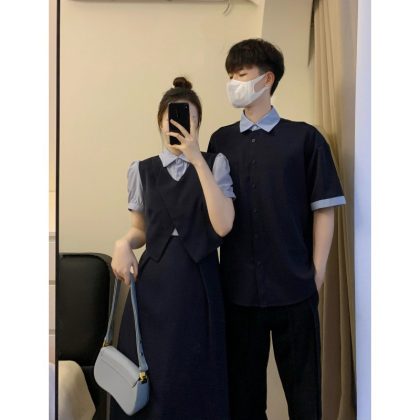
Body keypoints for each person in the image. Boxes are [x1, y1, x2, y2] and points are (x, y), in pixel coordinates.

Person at [207, 38, 346, 420]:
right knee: (244, 399)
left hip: (295, 288)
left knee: (304, 396)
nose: (233, 83)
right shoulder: (220, 140)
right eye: (230, 75)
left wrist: (317, 273)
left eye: (241, 74)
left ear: (267, 79)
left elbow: (324, 209)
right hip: (238, 291)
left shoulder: (305, 138)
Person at [110, 76, 235, 420]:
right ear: (160, 122)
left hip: (200, 282)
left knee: (198, 374)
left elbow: (223, 225)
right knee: (151, 374)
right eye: (174, 117)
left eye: (190, 119)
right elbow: (140, 230)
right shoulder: (141, 170)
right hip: (155, 285)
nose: (181, 125)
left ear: (198, 125)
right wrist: (123, 243)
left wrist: (197, 161)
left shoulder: (215, 163)